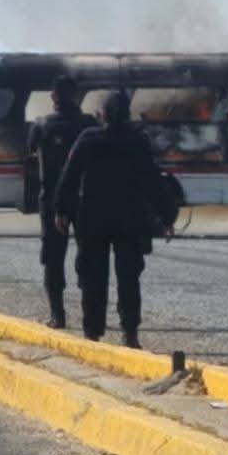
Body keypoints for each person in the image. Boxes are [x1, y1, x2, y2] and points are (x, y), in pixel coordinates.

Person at [53, 90, 178, 348]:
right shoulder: (138, 142)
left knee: (93, 277)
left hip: (93, 220)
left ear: (104, 115)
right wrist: (166, 216)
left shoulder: (88, 139)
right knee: (129, 279)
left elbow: (69, 176)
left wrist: (61, 210)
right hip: (129, 220)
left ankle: (92, 332)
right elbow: (153, 182)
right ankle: (129, 333)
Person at [27, 75, 97, 329]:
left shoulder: (42, 125)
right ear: (76, 96)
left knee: (53, 258)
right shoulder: (90, 125)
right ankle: (90, 313)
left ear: (54, 97)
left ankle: (58, 315)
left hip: (53, 201)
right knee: (88, 256)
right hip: (83, 199)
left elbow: (30, 154)